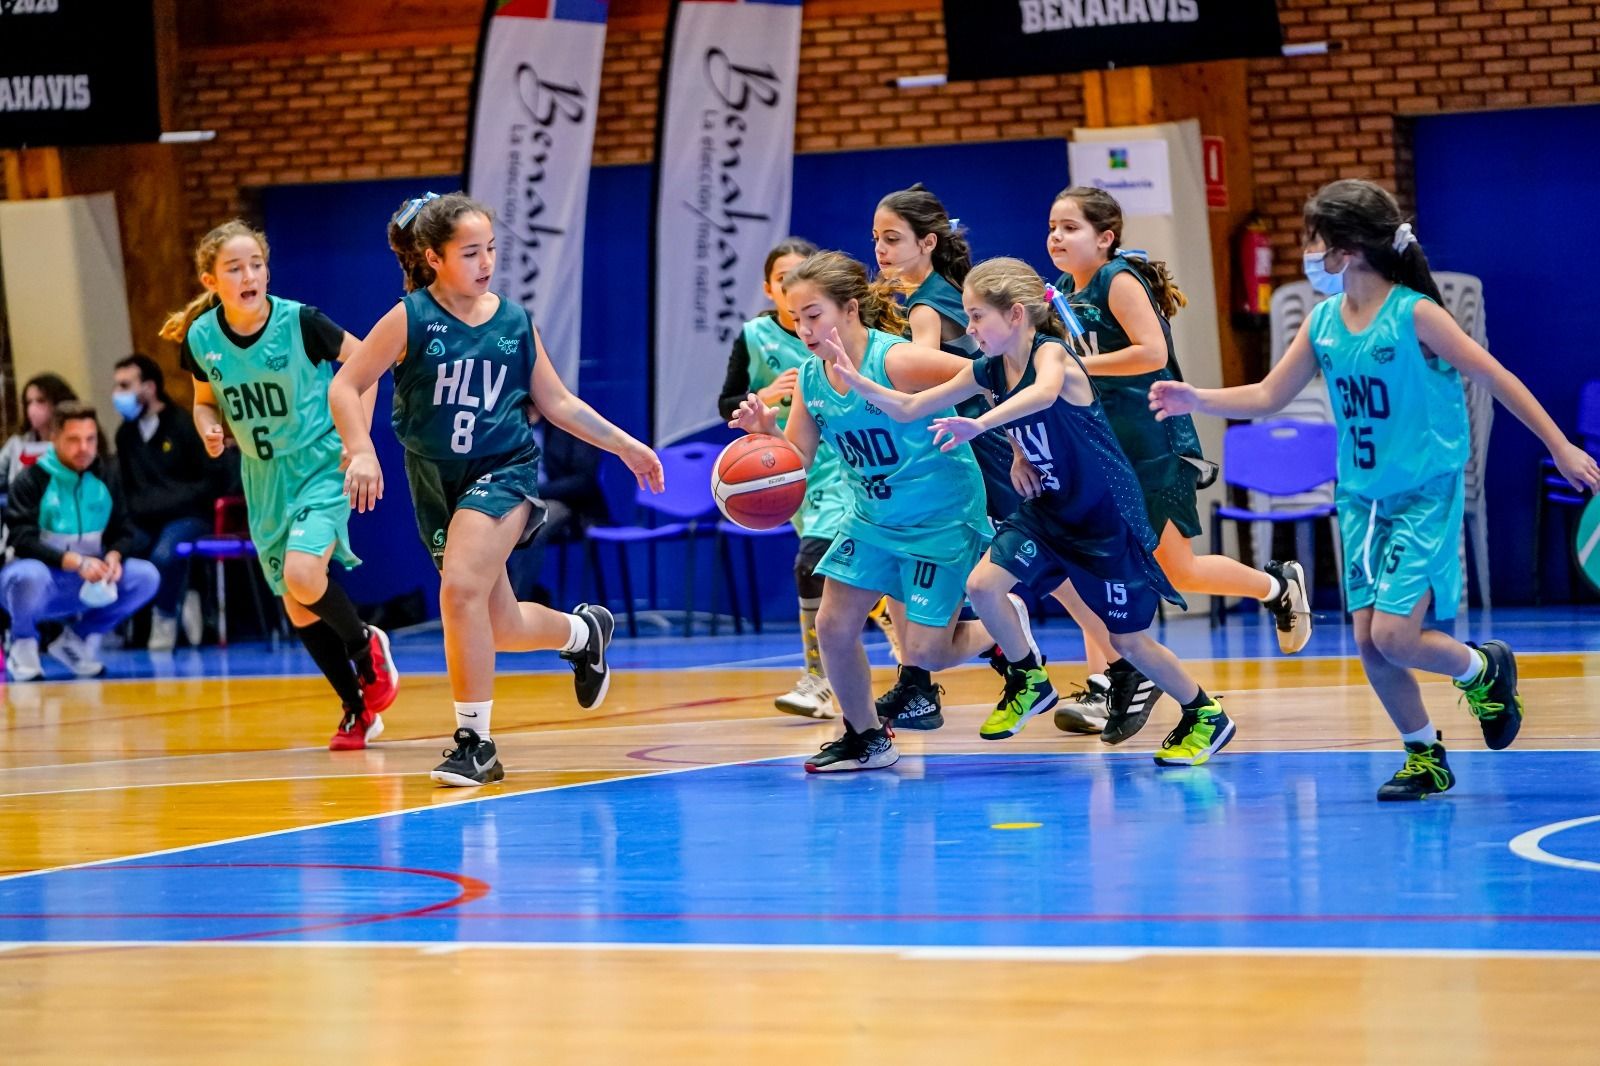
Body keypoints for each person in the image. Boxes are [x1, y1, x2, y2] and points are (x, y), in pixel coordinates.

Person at [1150, 178, 1600, 799]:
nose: (1307, 255)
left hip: (1423, 493)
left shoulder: (1415, 314)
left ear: (1347, 250)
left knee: (1393, 634)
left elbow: (1495, 377)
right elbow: (1268, 395)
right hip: (1362, 499)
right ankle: (1425, 756)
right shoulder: (1324, 322)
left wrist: (1559, 445)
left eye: (1313, 242)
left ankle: (1482, 668)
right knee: (1369, 642)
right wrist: (1194, 398)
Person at [830, 258, 1235, 763]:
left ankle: (1204, 713)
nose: (969, 328)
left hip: (1103, 517)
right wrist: (856, 381)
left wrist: (981, 427)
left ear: (1017, 315)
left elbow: (1041, 397)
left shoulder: (1053, 357)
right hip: (1047, 510)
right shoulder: (990, 368)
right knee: (982, 585)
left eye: (977, 317)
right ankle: (1027, 677)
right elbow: (914, 406)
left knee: (1127, 642)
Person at [330, 191, 663, 788]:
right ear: (433, 257)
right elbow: (346, 385)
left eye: (490, 250)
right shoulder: (411, 318)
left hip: (503, 470)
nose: (485, 263)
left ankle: (474, 743)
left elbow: (556, 402)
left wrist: (625, 444)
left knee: (459, 591)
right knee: (499, 624)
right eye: (470, 252)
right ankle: (584, 633)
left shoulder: (513, 321)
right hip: (434, 478)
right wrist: (359, 448)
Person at [730, 250, 1013, 772]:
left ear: (850, 310)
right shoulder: (811, 379)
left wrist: (1014, 447)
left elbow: (994, 374)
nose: (805, 329)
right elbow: (800, 460)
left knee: (925, 653)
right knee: (834, 626)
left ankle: (1002, 623)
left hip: (940, 516)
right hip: (873, 518)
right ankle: (866, 738)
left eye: (814, 315)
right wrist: (765, 435)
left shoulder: (896, 361)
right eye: (796, 320)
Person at [1045, 186, 1312, 737]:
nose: (1056, 237)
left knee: (1177, 568)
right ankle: (1108, 685)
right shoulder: (1065, 294)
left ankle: (1276, 587)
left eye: (1070, 227)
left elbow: (1152, 354)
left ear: (1106, 237)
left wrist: (1075, 369)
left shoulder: (1118, 279)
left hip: (1150, 441)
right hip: (1102, 446)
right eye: (1052, 227)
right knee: (1097, 565)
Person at [160, 219, 400, 751]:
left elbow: (367, 366)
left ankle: (366, 648)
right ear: (210, 280)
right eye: (235, 267)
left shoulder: (300, 322)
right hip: (263, 479)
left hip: (318, 465)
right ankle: (357, 710)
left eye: (257, 264)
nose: (249, 274)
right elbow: (203, 401)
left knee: (304, 572)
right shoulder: (202, 339)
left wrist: (358, 444)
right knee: (296, 602)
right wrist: (209, 431)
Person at [871, 184, 1025, 728]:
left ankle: (1110, 669)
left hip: (976, 447)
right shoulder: (944, 290)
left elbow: (932, 377)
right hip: (974, 440)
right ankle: (919, 682)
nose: (881, 251)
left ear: (928, 242)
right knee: (904, 565)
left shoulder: (924, 308)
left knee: (1055, 567)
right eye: (876, 240)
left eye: (893, 239)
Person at [716, 237, 858, 720]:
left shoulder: (842, 334)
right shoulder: (754, 336)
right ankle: (907, 662)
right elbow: (727, 405)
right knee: (845, 574)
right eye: (782, 280)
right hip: (793, 467)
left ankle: (818, 681)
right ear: (769, 288)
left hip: (845, 464)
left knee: (814, 564)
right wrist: (763, 395)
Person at [0, 402, 159, 680]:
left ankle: (75, 640)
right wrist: (74, 561)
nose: (83, 448)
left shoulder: (107, 475)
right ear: (54, 438)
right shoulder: (31, 479)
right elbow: (21, 538)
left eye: (90, 439)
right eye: (73, 440)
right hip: (39, 583)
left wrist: (114, 557)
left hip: (86, 584)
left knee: (146, 576)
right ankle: (23, 644)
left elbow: (123, 530)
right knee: (28, 576)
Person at [112, 353, 215, 650]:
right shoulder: (125, 435)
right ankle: (125, 627)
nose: (118, 395)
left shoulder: (182, 424)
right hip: (145, 518)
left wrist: (166, 501)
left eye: (125, 385)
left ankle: (165, 617)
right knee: (120, 548)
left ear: (149, 387)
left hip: (189, 516)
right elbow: (128, 487)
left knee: (165, 554)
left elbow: (209, 480)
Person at [505, 406, 609, 605]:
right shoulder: (506, 427)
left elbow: (584, 481)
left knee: (530, 524)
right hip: (512, 501)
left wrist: (532, 493)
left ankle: (517, 606)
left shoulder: (571, 424)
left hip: (566, 503)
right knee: (475, 523)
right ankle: (495, 601)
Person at [0, 373, 78, 490]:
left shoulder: (78, 441)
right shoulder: (17, 443)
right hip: (22, 505)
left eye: (41, 401)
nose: (33, 408)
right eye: (29, 402)